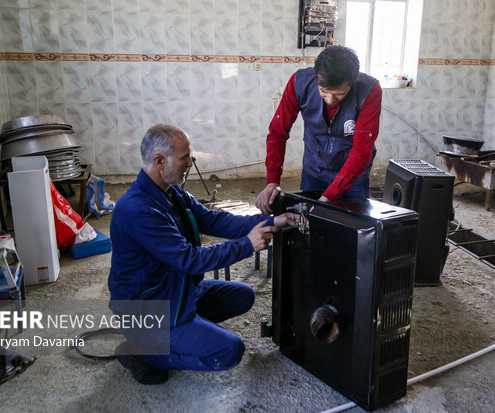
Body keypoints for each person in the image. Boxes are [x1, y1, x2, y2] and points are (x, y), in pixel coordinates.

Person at [108, 124, 298, 385]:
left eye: (190, 156)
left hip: (174, 290)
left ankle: (184, 333)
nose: (190, 162)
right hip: (149, 308)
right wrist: (247, 244)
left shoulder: (171, 192)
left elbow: (214, 220)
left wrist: (273, 221)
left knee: (243, 296)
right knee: (229, 351)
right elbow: (189, 259)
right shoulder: (138, 210)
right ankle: (143, 351)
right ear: (159, 161)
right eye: (184, 157)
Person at [256, 45, 382, 213]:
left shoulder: (369, 91)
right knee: (307, 228)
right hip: (314, 172)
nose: (330, 100)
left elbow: (362, 150)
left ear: (353, 82)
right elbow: (278, 132)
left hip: (353, 178)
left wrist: (330, 195)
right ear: (317, 77)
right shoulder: (299, 83)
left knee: (353, 230)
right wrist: (272, 180)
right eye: (323, 91)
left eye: (339, 94)